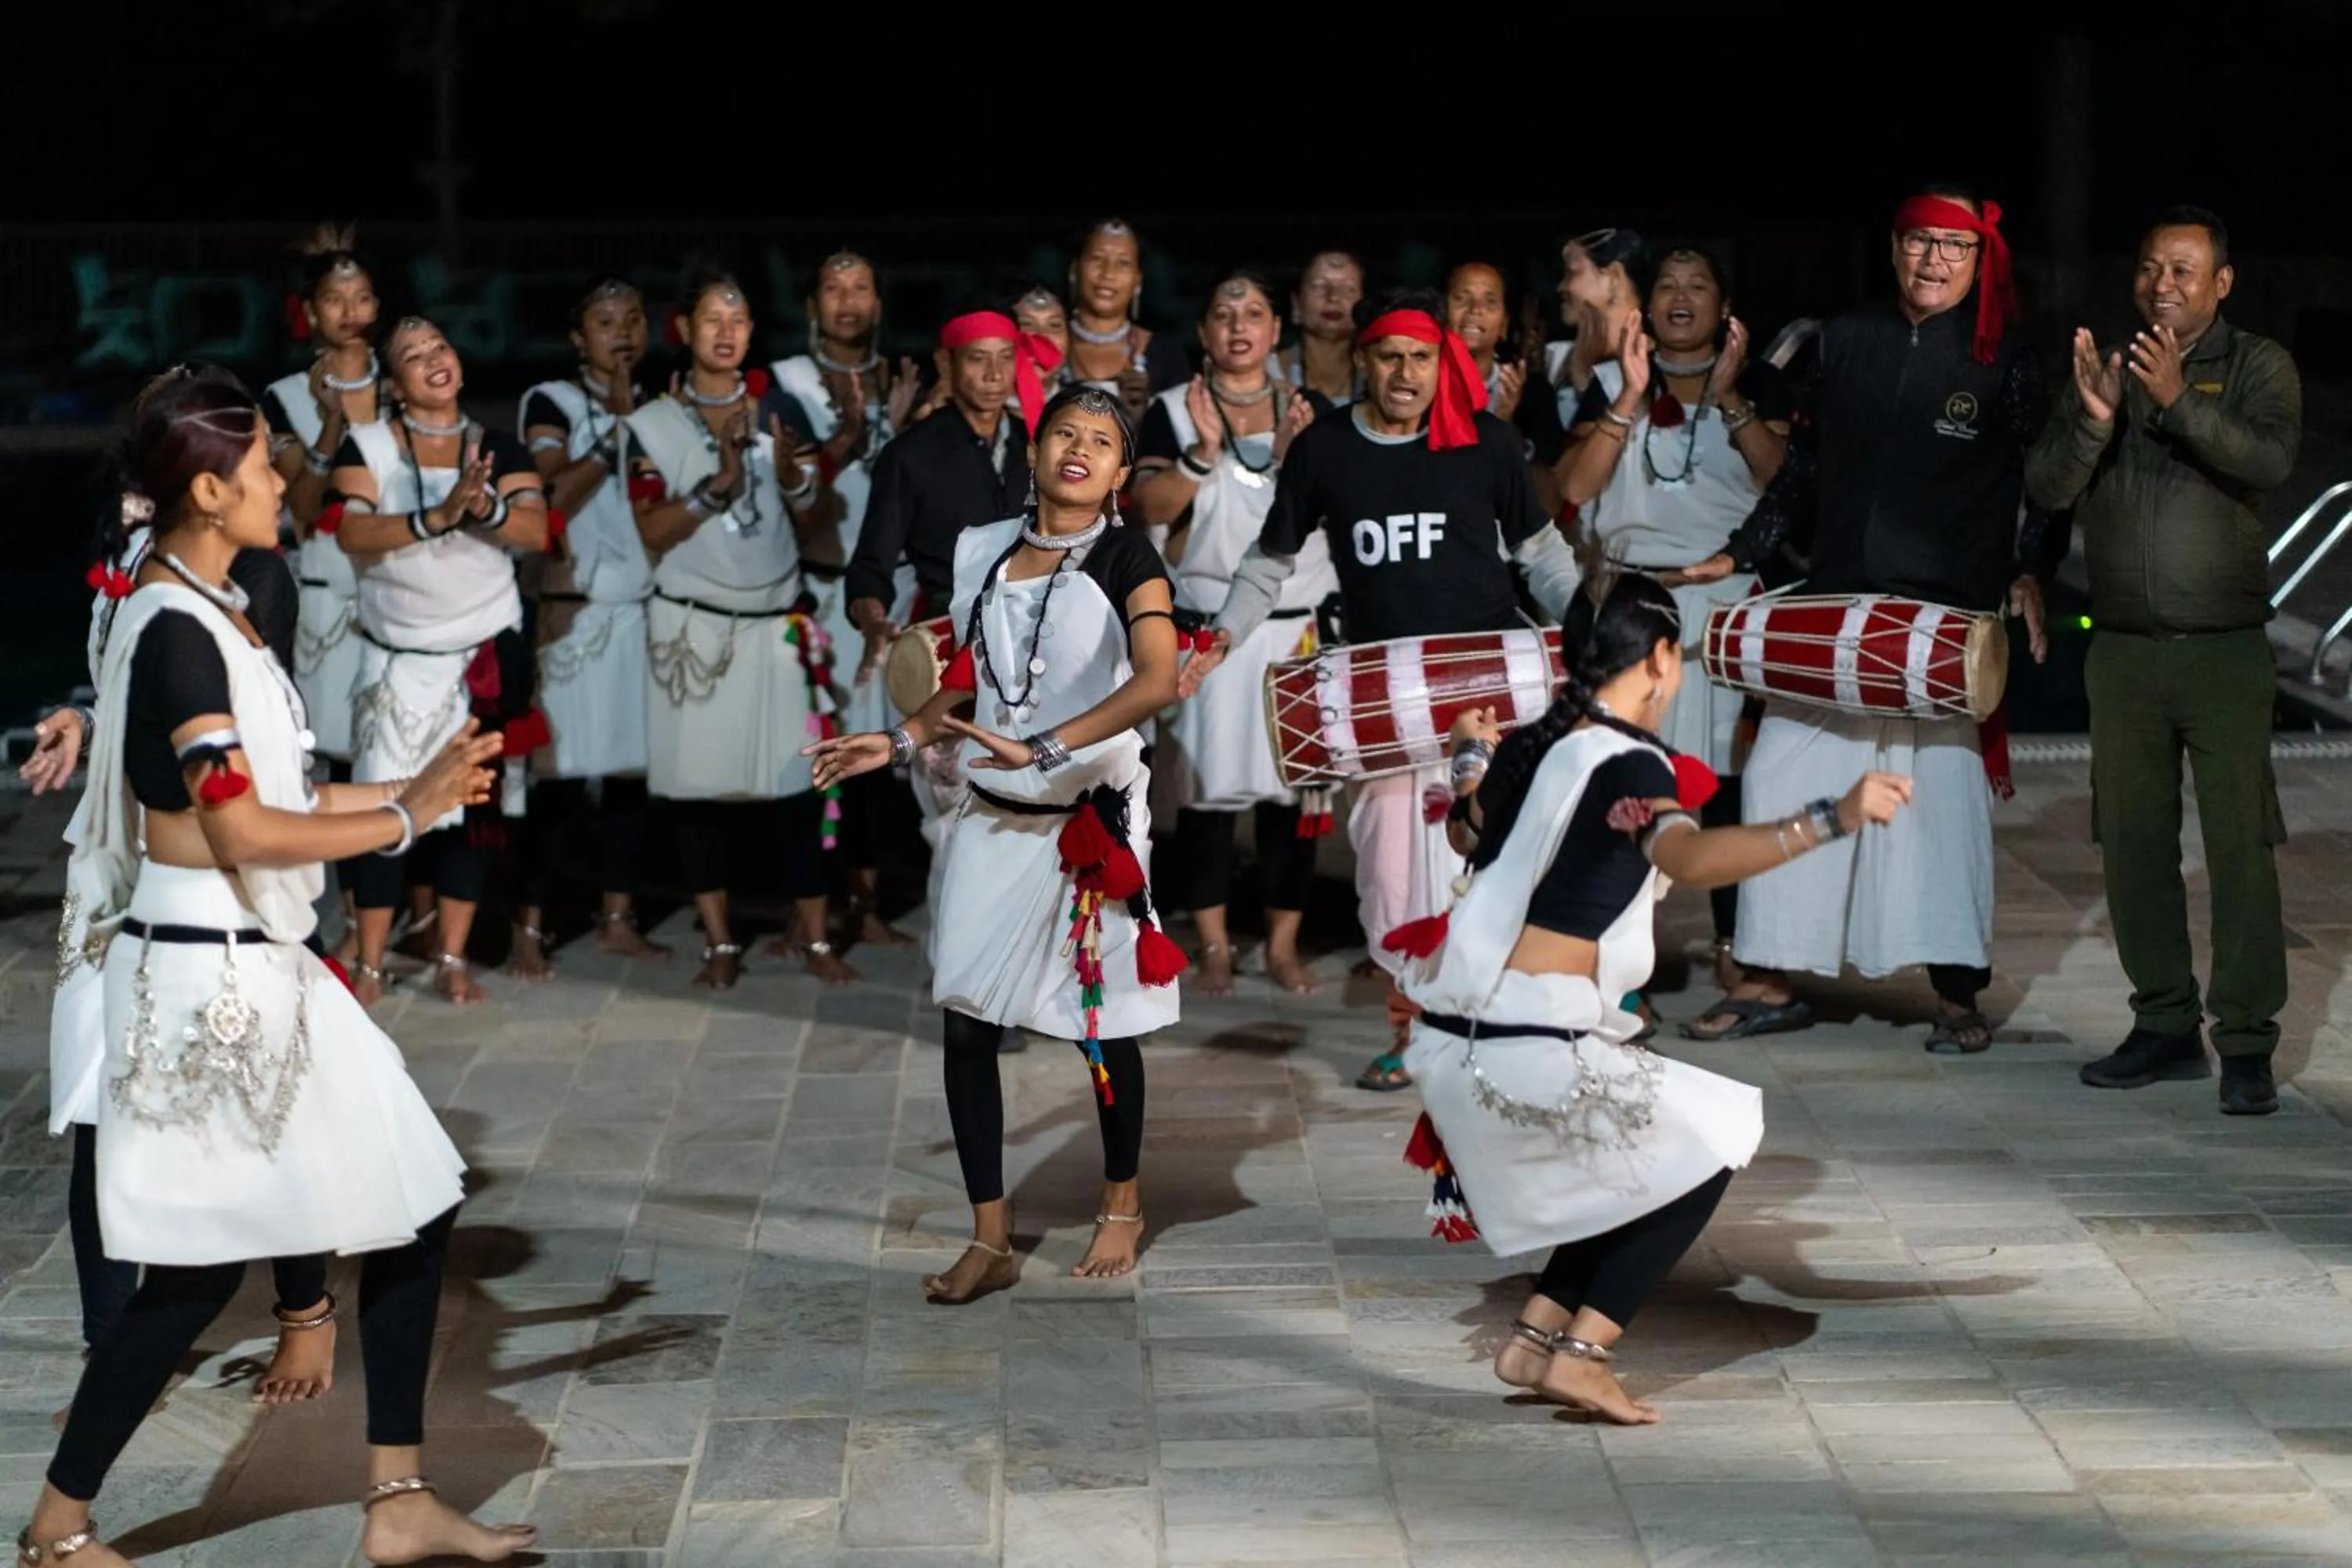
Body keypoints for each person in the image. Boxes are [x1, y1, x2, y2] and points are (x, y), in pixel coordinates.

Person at [20, 364, 533, 1566]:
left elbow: (282, 796)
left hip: (256, 962)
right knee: (193, 1281)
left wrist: (411, 794)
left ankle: (397, 1500)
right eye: (259, 475)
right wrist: (399, 824)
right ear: (208, 487)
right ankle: (55, 1530)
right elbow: (237, 830)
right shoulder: (182, 637)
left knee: (414, 1202)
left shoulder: (209, 603)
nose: (280, 489)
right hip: (216, 982)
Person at [1399, 570, 1909, 1425]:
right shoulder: (1630, 761)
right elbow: (1689, 857)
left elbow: (1467, 824)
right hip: (1523, 1048)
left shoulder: (1544, 743)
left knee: (1638, 1159)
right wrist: (1835, 816)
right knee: (1713, 1139)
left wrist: (1466, 755)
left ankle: (1536, 1336)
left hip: (1462, 1037)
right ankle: (1586, 1353)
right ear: (1664, 657)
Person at [808, 385, 1185, 1302]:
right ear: (1036, 448)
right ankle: (990, 1235)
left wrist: (1049, 744)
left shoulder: (1131, 558)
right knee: (968, 1020)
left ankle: (1122, 1200)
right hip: (993, 811)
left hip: (1087, 819)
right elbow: (973, 683)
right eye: (1066, 432)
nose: (1080, 449)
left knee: (1098, 1027)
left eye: (1101, 441)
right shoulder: (982, 551)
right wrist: (897, 738)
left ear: (1119, 473)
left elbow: (1159, 677)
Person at [1180, 286, 1581, 1091]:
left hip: (1488, 689)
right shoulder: (1327, 449)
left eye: (1421, 357)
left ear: (1444, 363)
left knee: (1502, 862)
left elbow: (1541, 557)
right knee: (1395, 876)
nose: (1405, 373)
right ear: (1363, 360)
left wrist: (1596, 632)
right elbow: (1269, 559)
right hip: (1382, 701)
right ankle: (1414, 1029)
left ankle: (1511, 1025)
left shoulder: (1489, 444)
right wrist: (1223, 632)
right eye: (1390, 356)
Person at [1680, 186, 2051, 1053]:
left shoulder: (2009, 359)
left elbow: (2048, 479)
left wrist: (2031, 568)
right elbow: (1805, 468)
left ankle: (1958, 991)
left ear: (1978, 259)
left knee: (1943, 805)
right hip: (1838, 604)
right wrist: (1742, 550)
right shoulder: (1845, 341)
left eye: (1952, 248)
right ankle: (1771, 973)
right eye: (1918, 243)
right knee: (1776, 776)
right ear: (1893, 250)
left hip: (1941, 620)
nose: (1933, 261)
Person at [39, 514, 340, 1407]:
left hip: (219, 862)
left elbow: (234, 719)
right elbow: (127, 690)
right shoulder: (126, 561)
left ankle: (305, 1306)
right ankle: (113, 1339)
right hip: (112, 865)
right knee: (102, 1099)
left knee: (270, 1089)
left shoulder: (256, 573)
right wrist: (82, 718)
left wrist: (395, 812)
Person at [2025, 205, 2303, 1116]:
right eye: (2151, 269)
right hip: (2127, 655)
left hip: (2223, 652)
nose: (2163, 286)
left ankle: (2249, 1039)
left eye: (2184, 271)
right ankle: (2165, 1023)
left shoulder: (2258, 365)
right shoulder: (2108, 365)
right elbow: (2047, 485)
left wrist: (2181, 400)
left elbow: (2267, 460)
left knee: (2239, 848)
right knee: (2133, 844)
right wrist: (2096, 421)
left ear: (2222, 282)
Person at [1559, 244, 1794, 976]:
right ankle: (1623, 954)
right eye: (1667, 285)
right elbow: (1572, 487)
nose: (1682, 296)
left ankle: (1733, 945)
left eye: (1700, 284)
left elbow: (1785, 481)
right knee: (1624, 780)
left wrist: (1729, 396)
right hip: (1632, 607)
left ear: (1725, 307)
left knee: (1727, 785)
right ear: (1647, 303)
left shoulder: (1760, 383)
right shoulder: (1606, 382)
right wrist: (1629, 397)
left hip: (1725, 613)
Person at [626, 265, 844, 989]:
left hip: (774, 623)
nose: (727, 332)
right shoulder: (651, 425)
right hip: (695, 633)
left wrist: (789, 476)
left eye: (740, 318)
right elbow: (652, 529)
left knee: (798, 784)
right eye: (712, 319)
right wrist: (716, 486)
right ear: (684, 331)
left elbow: (813, 515)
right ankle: (720, 942)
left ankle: (812, 938)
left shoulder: (780, 410)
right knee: (699, 794)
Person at [331, 317, 553, 1004]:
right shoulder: (366, 445)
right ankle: (369, 960)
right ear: (395, 386)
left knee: (474, 811)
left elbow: (535, 529)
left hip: (481, 655)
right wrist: (434, 517)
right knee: (383, 805)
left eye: (442, 346)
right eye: (414, 356)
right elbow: (350, 531)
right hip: (398, 661)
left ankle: (452, 955)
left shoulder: (498, 445)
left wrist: (479, 504)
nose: (435, 359)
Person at [1132, 272, 1327, 995]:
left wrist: (1291, 459)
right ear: (1206, 333)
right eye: (1223, 314)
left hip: (1297, 632)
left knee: (1295, 800)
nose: (1238, 326)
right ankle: (1214, 943)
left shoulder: (1311, 411)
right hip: (1211, 631)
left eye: (1254, 313)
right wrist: (1201, 454)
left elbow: (1334, 509)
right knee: (1208, 800)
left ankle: (1281, 943)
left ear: (1278, 329)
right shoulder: (1172, 412)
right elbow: (1144, 501)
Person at [769, 252, 929, 945]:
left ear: (880, 304)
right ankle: (809, 910)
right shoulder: (785, 386)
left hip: (894, 593)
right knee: (816, 756)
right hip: (821, 596)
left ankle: (866, 905)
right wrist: (853, 435)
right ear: (811, 305)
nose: (847, 299)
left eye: (862, 286)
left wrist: (908, 427)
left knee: (882, 759)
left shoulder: (907, 380)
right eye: (832, 287)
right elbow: (796, 498)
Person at [510, 277, 667, 975]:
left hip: (640, 614)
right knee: (562, 784)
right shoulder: (552, 402)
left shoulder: (664, 408)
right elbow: (549, 497)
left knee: (631, 780)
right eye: (606, 321)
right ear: (580, 337)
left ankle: (617, 917)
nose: (623, 332)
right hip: (573, 619)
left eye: (633, 319)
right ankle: (527, 927)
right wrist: (614, 437)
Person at [263, 223, 383, 956]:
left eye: (361, 295)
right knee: (335, 760)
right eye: (333, 298)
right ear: (310, 311)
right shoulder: (283, 397)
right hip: (330, 597)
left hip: (406, 587)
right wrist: (332, 420)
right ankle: (337, 923)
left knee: (401, 754)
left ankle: (409, 922)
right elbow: (302, 507)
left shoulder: (406, 380)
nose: (349, 309)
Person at [1445, 260, 1570, 516]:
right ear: (1442, 314)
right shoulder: (1417, 386)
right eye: (1461, 298)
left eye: (1490, 302)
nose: (1475, 310)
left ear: (1503, 326)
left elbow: (1549, 503)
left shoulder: (1530, 392)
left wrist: (1505, 427)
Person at [1063, 220, 1183, 422]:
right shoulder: (1047, 346)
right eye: (1097, 259)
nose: (1108, 274)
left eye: (1123, 263)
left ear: (1138, 280)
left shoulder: (1165, 356)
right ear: (1074, 270)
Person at [1276, 250, 1367, 406]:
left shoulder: (1377, 376)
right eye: (1319, 286)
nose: (1333, 297)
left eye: (1348, 289)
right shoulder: (1267, 372)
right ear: (1296, 303)